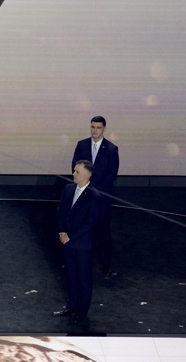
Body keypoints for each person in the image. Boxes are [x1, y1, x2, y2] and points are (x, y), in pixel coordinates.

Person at [72, 115, 119, 276]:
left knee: (103, 231)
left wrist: (93, 189)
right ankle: (73, 262)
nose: (95, 130)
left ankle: (107, 266)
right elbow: (75, 166)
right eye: (93, 127)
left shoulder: (112, 149)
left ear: (104, 129)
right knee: (78, 227)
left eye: (98, 128)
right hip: (82, 195)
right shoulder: (82, 145)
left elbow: (112, 174)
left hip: (101, 198)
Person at [54, 160, 100, 323]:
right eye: (74, 170)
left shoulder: (94, 195)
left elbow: (90, 223)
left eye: (77, 172)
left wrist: (70, 236)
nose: (74, 174)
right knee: (71, 276)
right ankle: (71, 305)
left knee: (84, 278)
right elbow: (60, 212)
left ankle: (82, 312)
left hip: (82, 245)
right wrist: (62, 232)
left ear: (88, 175)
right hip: (67, 242)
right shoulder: (68, 189)